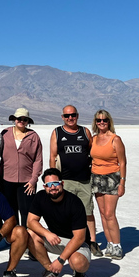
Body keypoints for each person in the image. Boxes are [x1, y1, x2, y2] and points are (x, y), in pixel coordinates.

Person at [48, 105, 103, 257]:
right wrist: (54, 178)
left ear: (77, 116)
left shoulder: (84, 132)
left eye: (73, 115)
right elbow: (53, 156)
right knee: (67, 211)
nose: (70, 118)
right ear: (62, 117)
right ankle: (70, 239)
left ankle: (92, 241)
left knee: (87, 211)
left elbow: (93, 152)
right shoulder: (57, 133)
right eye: (67, 116)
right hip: (65, 180)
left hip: (84, 179)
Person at [27, 168, 92, 277]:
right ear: (44, 186)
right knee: (30, 234)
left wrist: (61, 260)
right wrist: (47, 233)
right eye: (49, 185)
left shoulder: (74, 202)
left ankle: (78, 272)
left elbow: (79, 238)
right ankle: (51, 271)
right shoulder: (41, 197)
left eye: (55, 184)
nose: (53, 188)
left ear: (62, 184)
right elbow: (31, 222)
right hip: (56, 238)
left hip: (78, 243)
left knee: (78, 263)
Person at [91, 110, 128, 260]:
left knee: (110, 214)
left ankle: (117, 245)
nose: (101, 123)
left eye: (104, 120)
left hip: (112, 178)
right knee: (102, 213)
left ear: (109, 121)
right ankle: (110, 243)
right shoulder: (93, 139)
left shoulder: (115, 139)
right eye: (99, 120)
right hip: (96, 178)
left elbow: (123, 162)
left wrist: (122, 183)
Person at [0, 108, 43, 227]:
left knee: (26, 211)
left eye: (25, 119)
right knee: (10, 210)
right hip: (6, 179)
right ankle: (15, 237)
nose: (21, 121)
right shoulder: (5, 134)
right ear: (14, 119)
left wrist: (33, 180)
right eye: (19, 118)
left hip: (27, 181)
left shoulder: (33, 136)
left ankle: (27, 236)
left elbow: (38, 160)